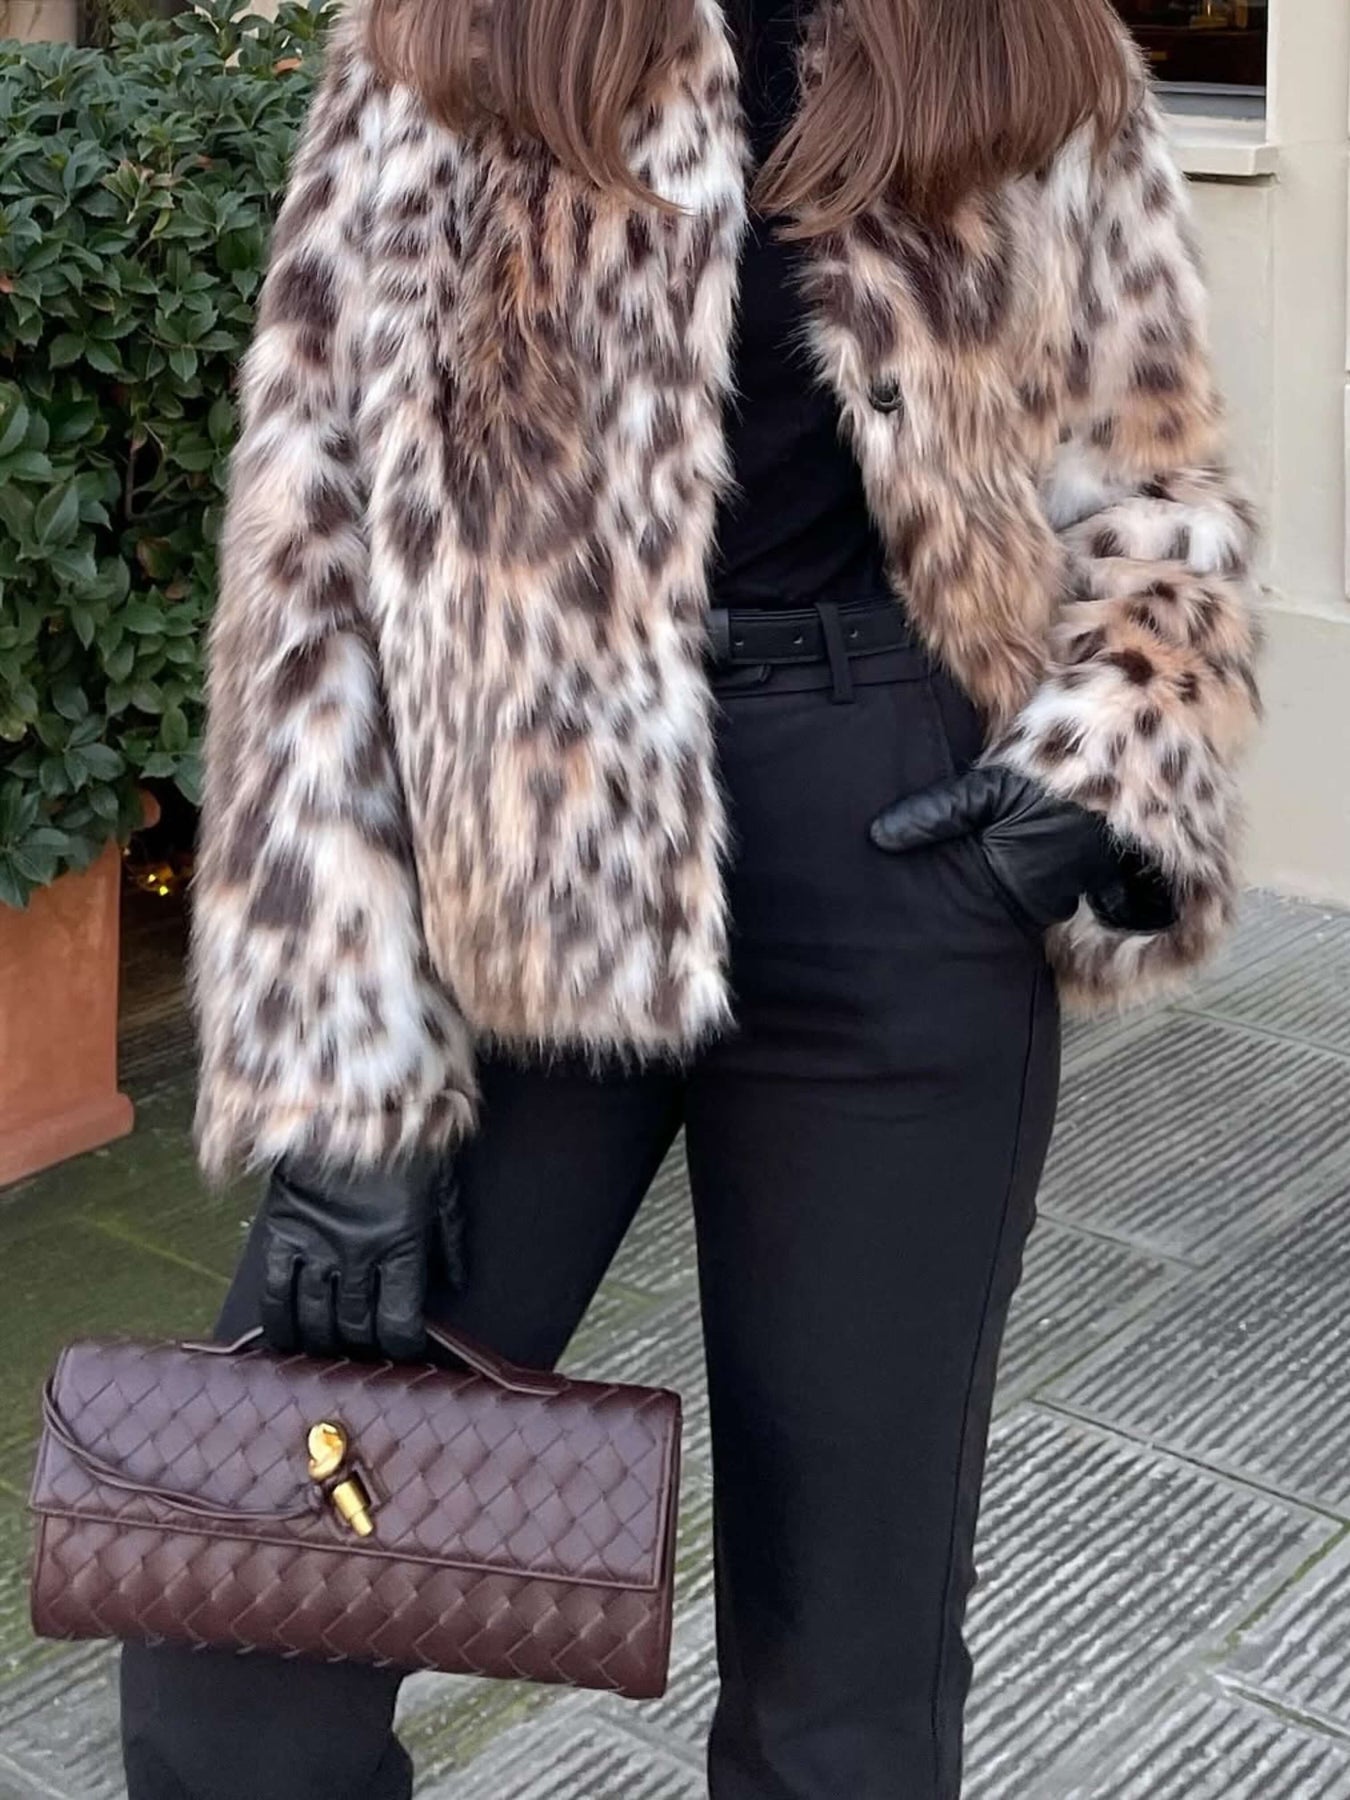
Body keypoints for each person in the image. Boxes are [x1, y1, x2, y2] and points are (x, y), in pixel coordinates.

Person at [119, 0, 1261, 1794]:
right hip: (517, 843)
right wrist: (341, 1065)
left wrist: (1107, 760)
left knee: (847, 1677)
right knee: (238, 1642)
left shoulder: (1024, 40)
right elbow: (311, 536)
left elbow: (1150, 462)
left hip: (894, 839)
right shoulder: (450, 34)